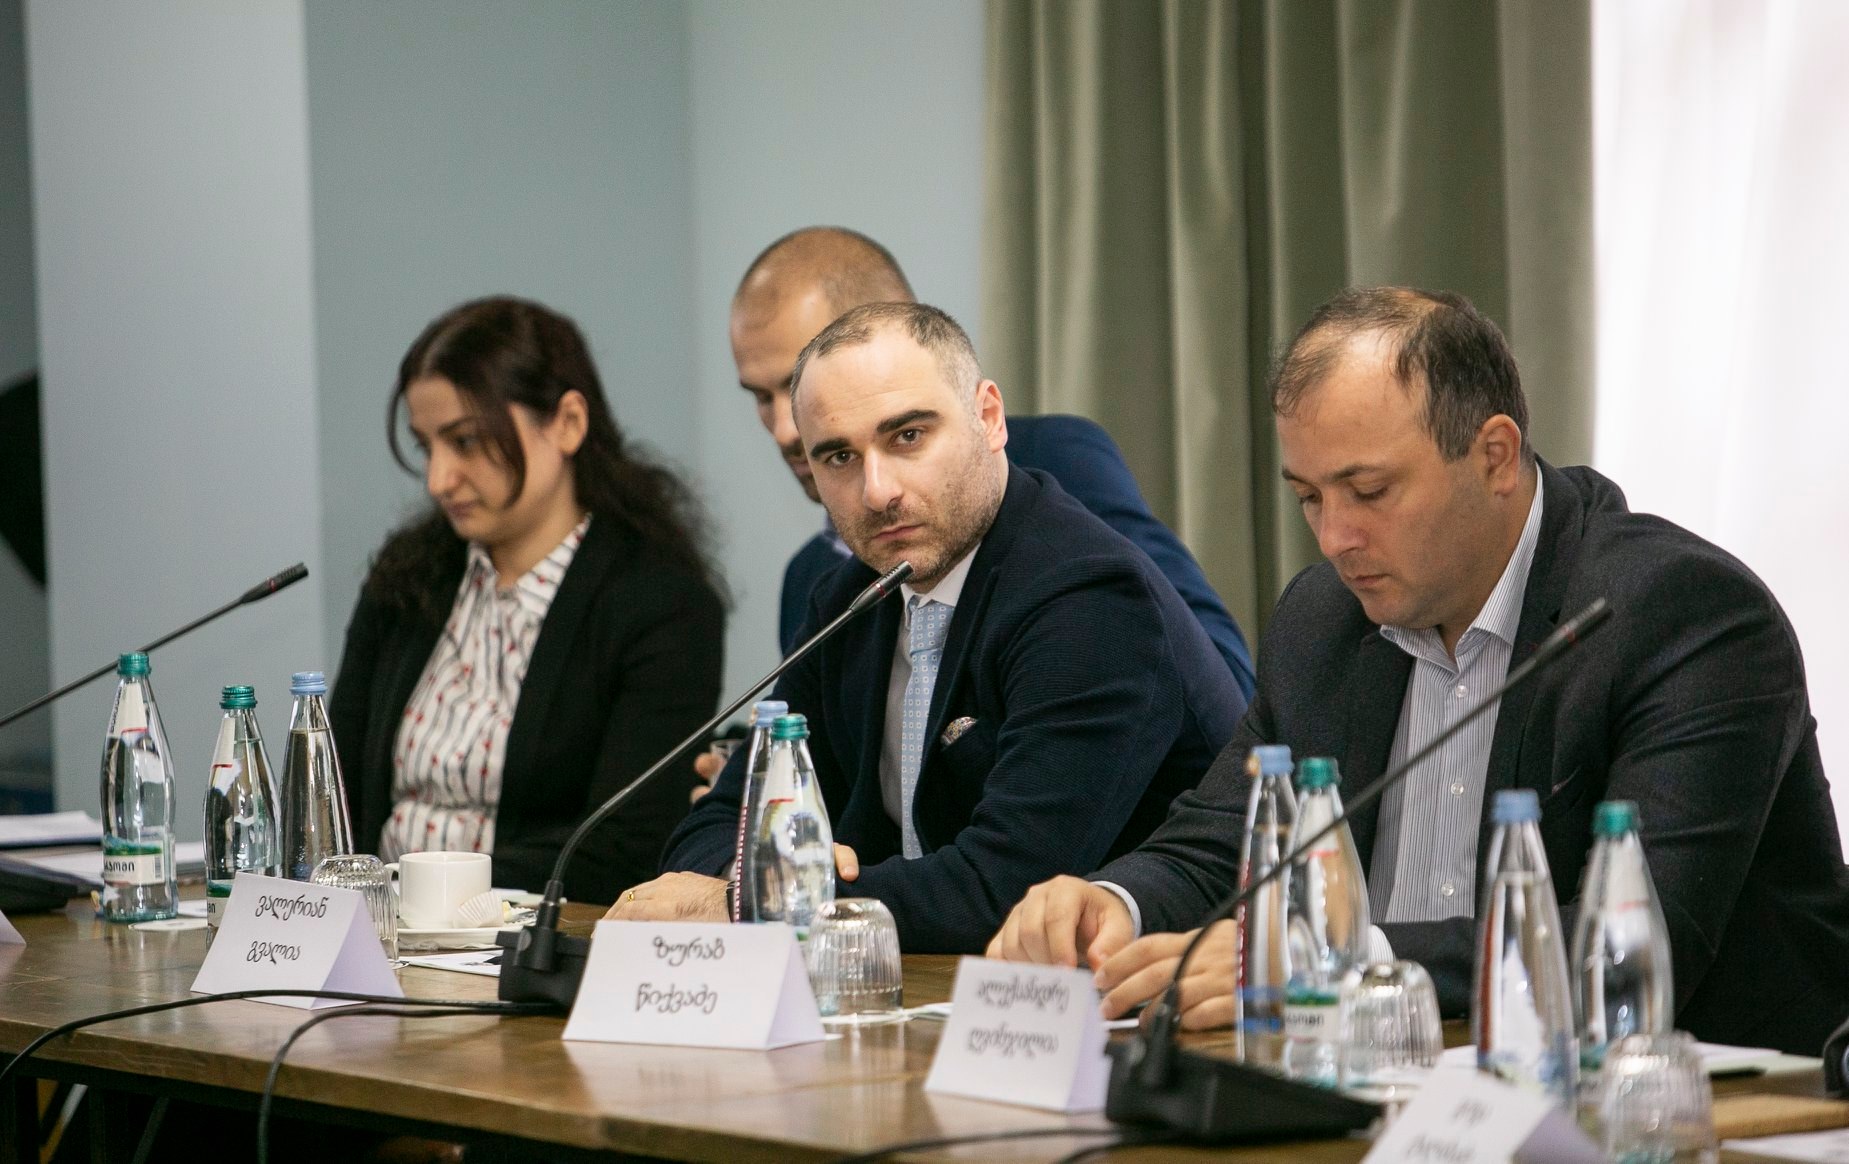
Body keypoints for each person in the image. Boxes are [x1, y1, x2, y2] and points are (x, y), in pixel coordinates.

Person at [989, 287, 1849, 1055]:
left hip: (1708, 1110)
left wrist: (1329, 962)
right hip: (1395, 1084)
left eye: (1368, 492)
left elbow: (1633, 938)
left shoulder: (1680, 614)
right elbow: (1224, 841)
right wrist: (1114, 902)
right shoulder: (1323, 618)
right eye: (1309, 496)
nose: (1334, 539)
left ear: (1494, 455)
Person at [611, 302, 1243, 953]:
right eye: (838, 457)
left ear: (988, 418)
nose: (876, 491)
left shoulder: (1088, 597)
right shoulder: (853, 598)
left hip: (1138, 989)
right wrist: (745, 879)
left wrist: (770, 904)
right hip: (921, 982)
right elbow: (721, 818)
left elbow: (1004, 888)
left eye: (907, 436)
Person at [731, 227, 1255, 695]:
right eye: (761, 397)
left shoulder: (1053, 464)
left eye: (797, 382)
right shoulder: (810, 578)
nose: (785, 429)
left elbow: (1214, 676)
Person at [330, 296, 725, 905]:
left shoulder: (661, 603)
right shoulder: (408, 576)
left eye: (465, 442)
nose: (438, 479)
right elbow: (336, 793)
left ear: (567, 423)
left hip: (530, 935)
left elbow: (623, 847)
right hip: (376, 926)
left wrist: (428, 892)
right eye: (426, 447)